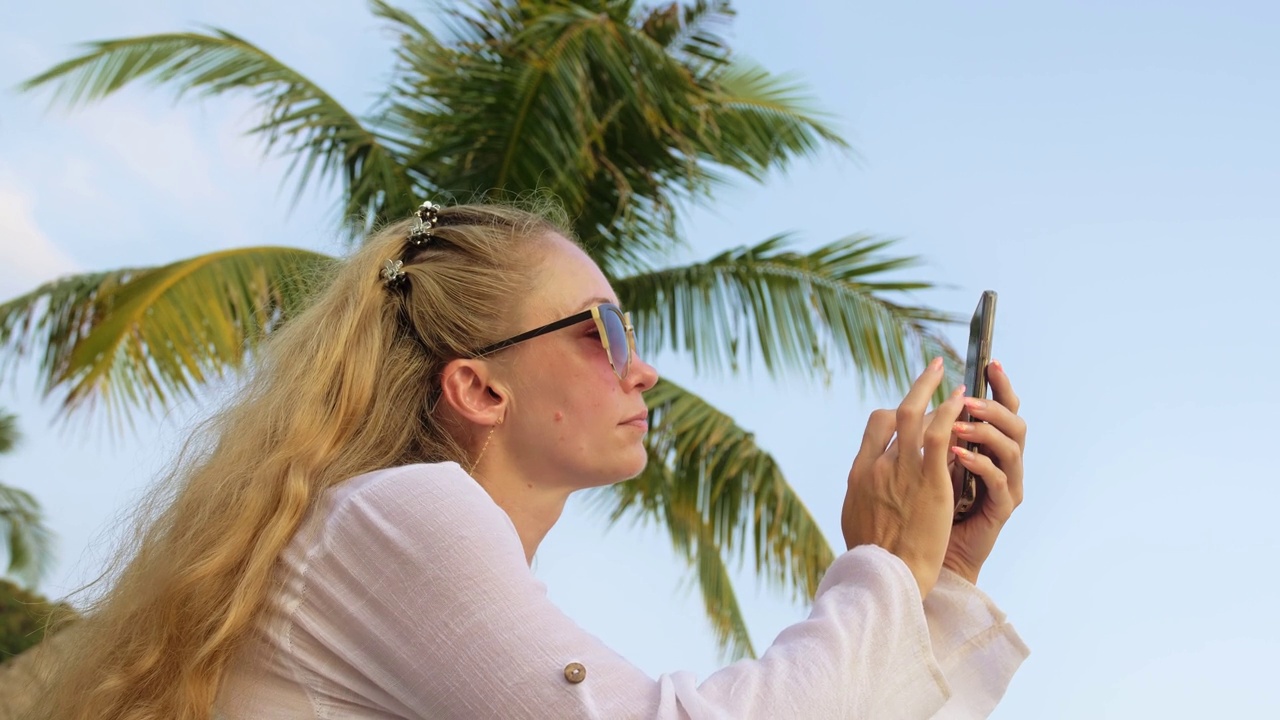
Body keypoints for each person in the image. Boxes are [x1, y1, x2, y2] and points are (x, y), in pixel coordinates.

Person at [34, 201, 1029, 719]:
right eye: (602, 330)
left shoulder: (393, 552)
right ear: (478, 389)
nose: (642, 371)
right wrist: (891, 569)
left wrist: (940, 580)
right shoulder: (402, 515)